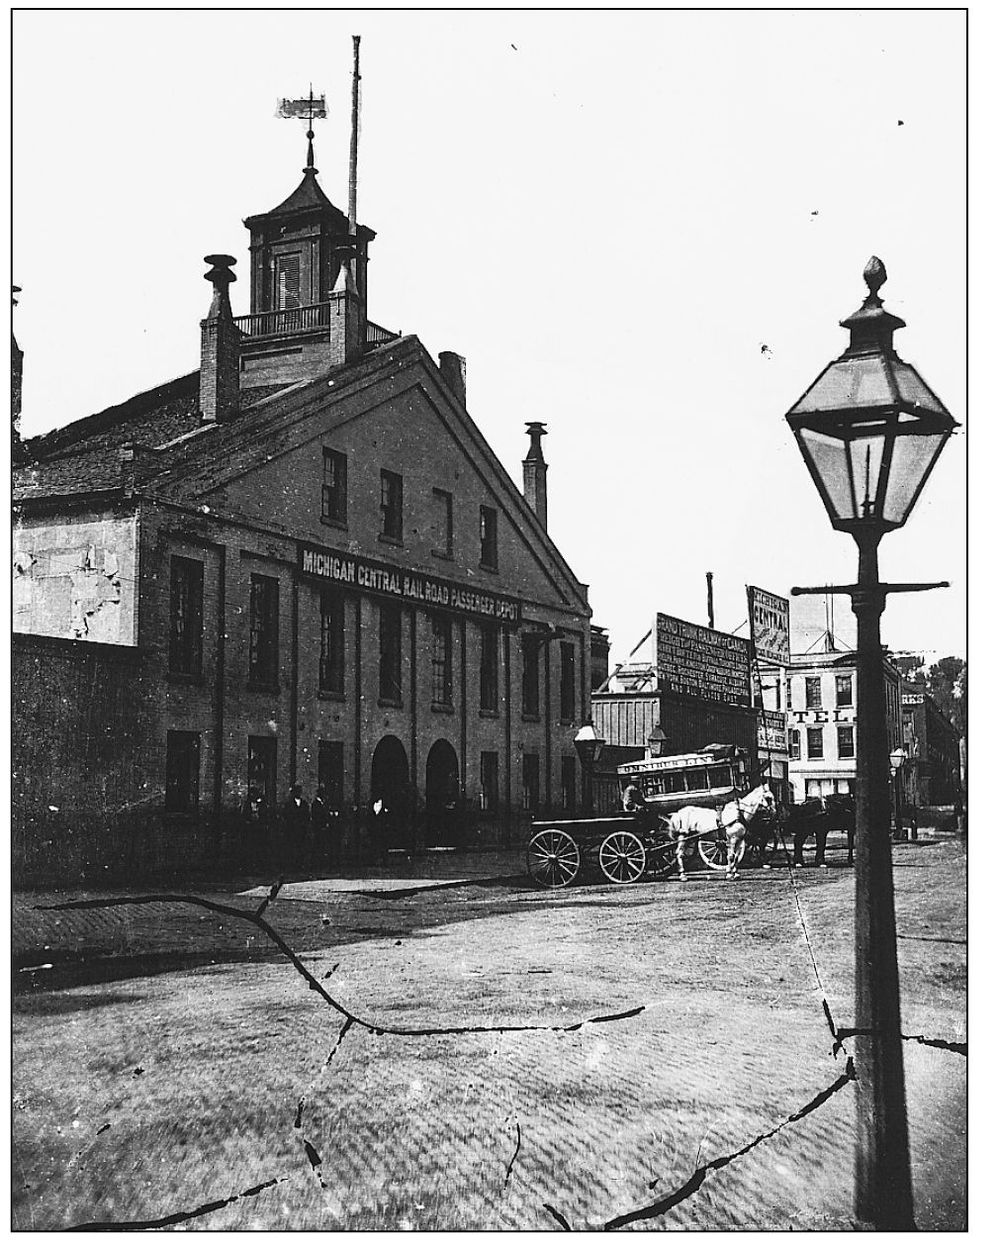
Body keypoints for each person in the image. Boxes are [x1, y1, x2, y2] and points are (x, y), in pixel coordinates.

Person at [281, 783, 311, 872]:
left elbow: (307, 816)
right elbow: (286, 816)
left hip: (301, 830)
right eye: (296, 792)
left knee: (301, 847)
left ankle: (300, 864)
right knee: (292, 848)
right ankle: (292, 866)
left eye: (299, 791)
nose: (298, 793)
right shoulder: (289, 804)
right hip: (292, 830)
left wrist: (304, 825)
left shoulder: (304, 804)